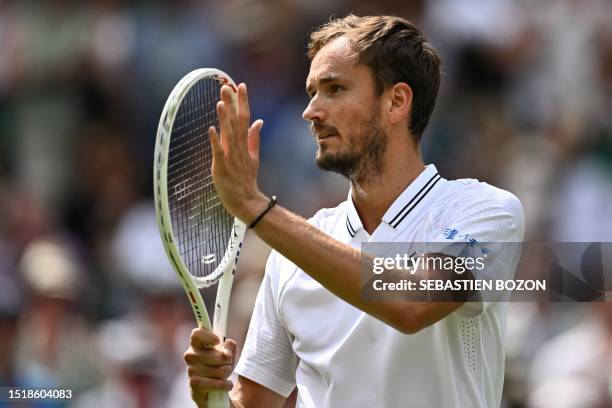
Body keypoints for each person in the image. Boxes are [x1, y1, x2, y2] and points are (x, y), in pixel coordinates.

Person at [184, 14, 524, 407]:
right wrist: (212, 396)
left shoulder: (485, 211)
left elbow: (411, 304)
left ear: (396, 101)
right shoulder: (290, 256)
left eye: (334, 88)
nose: (311, 111)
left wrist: (256, 208)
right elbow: (253, 402)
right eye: (312, 92)